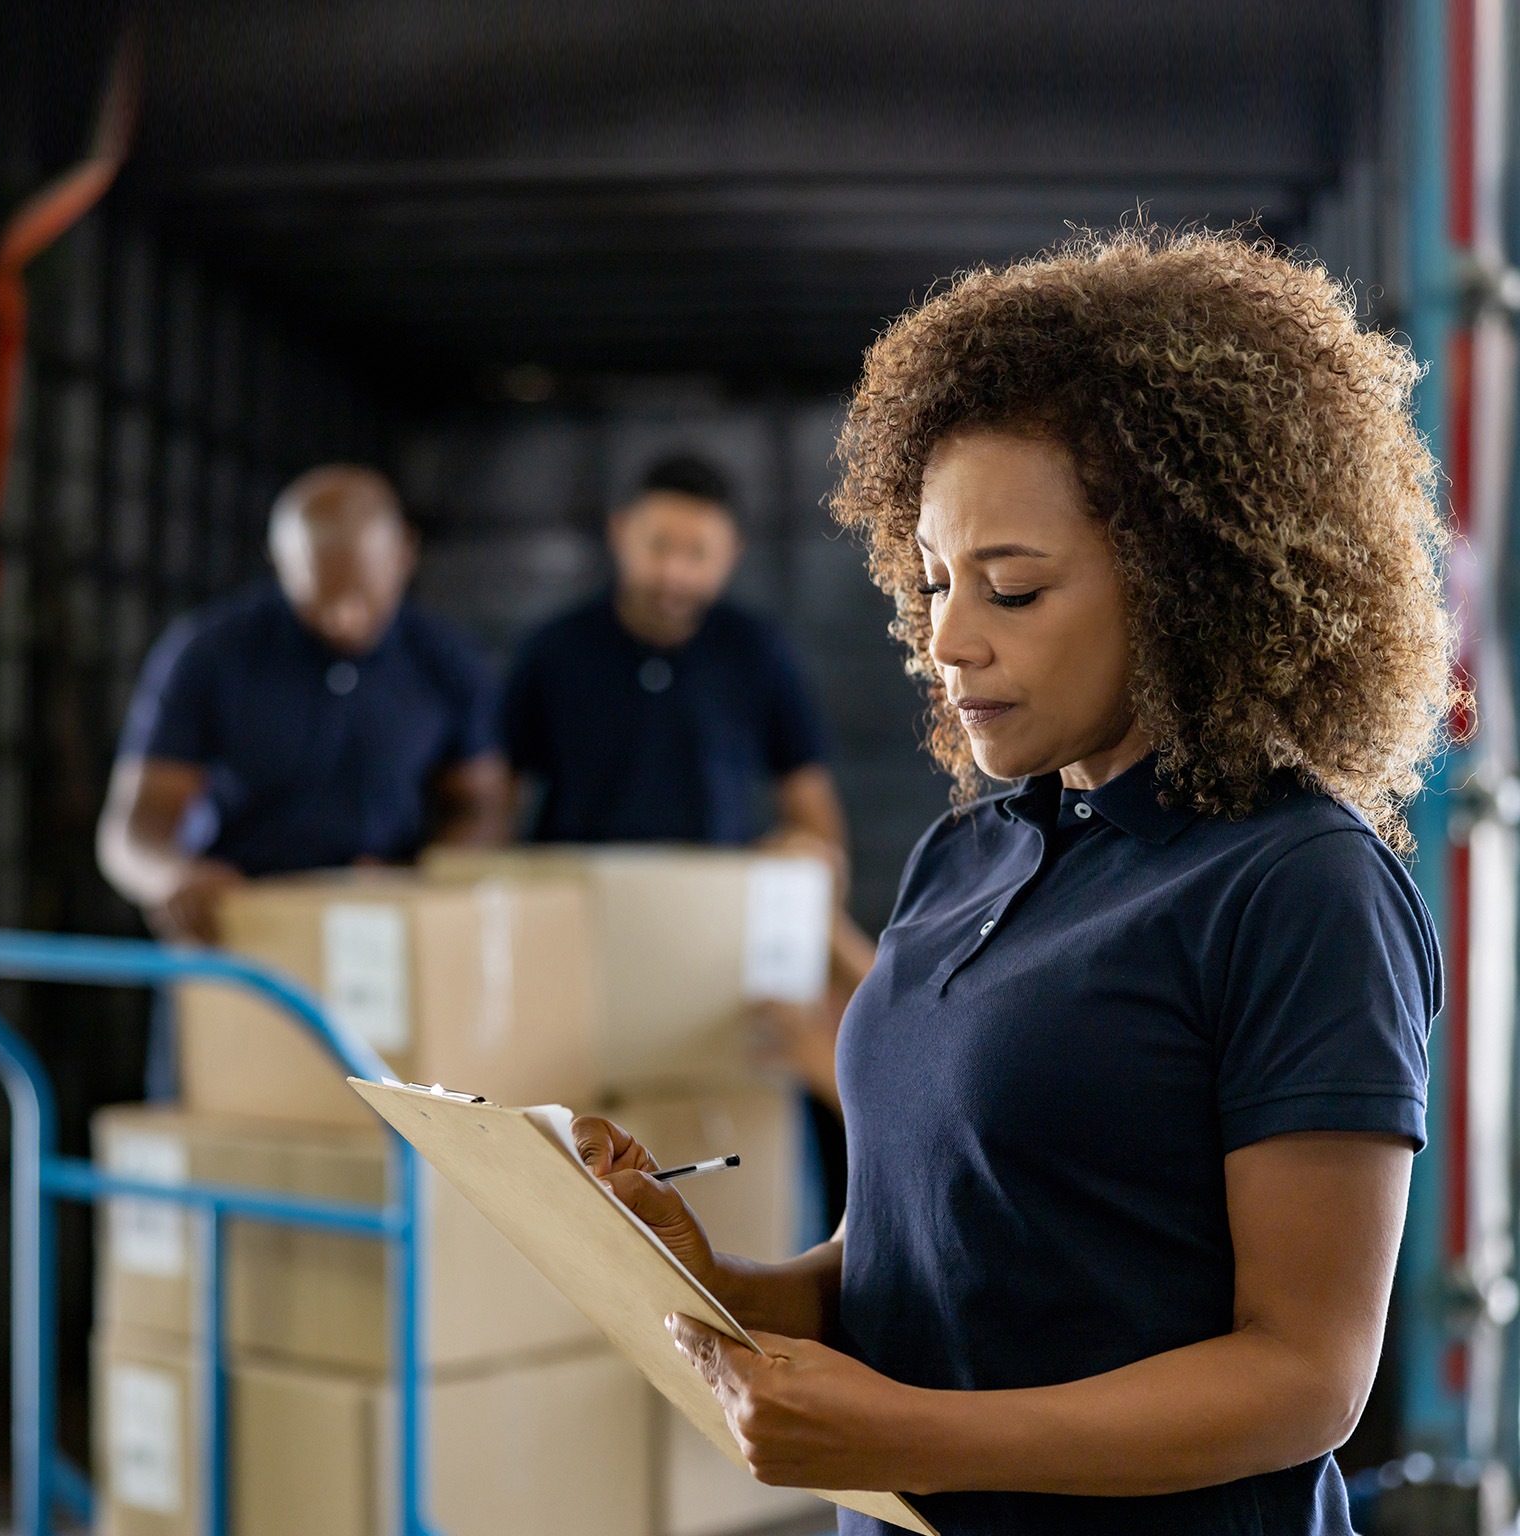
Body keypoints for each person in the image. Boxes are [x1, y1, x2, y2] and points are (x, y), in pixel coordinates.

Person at [570, 229, 1454, 1535]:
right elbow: (929, 1257)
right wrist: (725, 1284)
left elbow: (1303, 1378)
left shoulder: (1299, 885)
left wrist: (912, 1435)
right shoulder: (966, 851)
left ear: (1185, 587)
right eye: (930, 579)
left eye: (1013, 588)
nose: (945, 638)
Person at [99, 464, 503, 943]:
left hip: (382, 931)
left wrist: (422, 878)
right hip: (239, 930)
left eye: (364, 599)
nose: (344, 620)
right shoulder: (210, 655)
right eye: (321, 601)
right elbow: (132, 830)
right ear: (281, 564)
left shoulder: (449, 664)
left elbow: (483, 808)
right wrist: (171, 876)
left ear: (403, 555)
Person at [494, 453, 845, 852]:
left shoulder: (759, 652)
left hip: (714, 898)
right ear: (620, 532)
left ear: (732, 553)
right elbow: (496, 802)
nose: (673, 574)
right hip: (577, 893)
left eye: (697, 554)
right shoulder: (553, 649)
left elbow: (814, 816)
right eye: (658, 547)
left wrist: (801, 861)